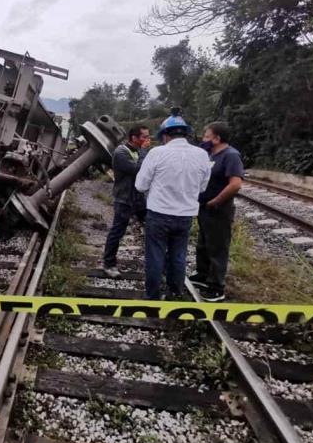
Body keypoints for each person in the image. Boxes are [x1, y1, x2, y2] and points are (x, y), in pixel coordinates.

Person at [135, 108, 211, 300]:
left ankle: (152, 296)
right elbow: (202, 188)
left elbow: (140, 185)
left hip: (159, 214)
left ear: (165, 135)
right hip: (185, 215)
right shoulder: (202, 155)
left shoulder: (156, 153)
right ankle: (174, 293)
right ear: (186, 133)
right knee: (178, 256)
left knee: (155, 256)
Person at [191, 122, 244, 302]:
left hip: (219, 208)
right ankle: (203, 275)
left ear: (217, 138)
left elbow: (235, 184)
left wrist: (215, 201)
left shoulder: (231, 155)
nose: (204, 139)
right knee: (204, 242)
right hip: (204, 207)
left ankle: (216, 286)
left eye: (207, 136)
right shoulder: (209, 154)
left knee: (218, 247)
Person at [102, 125, 150, 277]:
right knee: (117, 231)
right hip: (124, 199)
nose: (147, 140)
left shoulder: (138, 151)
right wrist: (144, 151)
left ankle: (155, 262)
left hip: (139, 198)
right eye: (144, 137)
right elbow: (138, 169)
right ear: (134, 138)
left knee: (153, 227)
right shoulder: (121, 152)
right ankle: (109, 264)